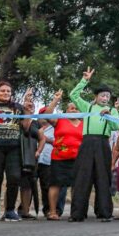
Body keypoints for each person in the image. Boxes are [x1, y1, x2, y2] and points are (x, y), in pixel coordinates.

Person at [0, 82, 40, 222]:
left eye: (8, 91)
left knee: (14, 177)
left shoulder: (18, 108)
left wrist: (28, 113)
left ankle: (10, 210)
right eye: (3, 91)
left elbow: (25, 127)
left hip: (14, 147)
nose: (6, 93)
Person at [67, 67, 119, 222]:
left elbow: (116, 127)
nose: (105, 98)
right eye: (102, 95)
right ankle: (77, 213)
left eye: (107, 96)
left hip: (103, 144)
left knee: (103, 178)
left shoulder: (112, 110)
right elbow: (73, 95)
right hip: (87, 143)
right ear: (96, 96)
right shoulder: (88, 107)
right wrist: (85, 80)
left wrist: (110, 116)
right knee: (82, 178)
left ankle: (104, 212)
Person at [42, 91, 83, 220]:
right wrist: (55, 100)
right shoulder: (59, 120)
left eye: (76, 108)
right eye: (71, 108)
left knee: (77, 186)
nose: (74, 110)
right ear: (66, 110)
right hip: (59, 159)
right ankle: (53, 212)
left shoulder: (84, 123)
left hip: (78, 159)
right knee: (55, 185)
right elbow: (46, 115)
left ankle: (75, 212)